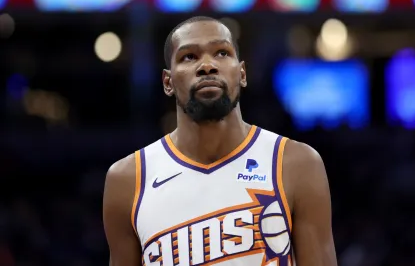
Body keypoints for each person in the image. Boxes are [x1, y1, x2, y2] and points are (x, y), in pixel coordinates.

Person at [103, 16, 337, 266]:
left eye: (222, 53)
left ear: (242, 73)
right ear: (167, 82)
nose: (207, 65)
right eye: (189, 57)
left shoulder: (296, 163)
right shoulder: (127, 180)